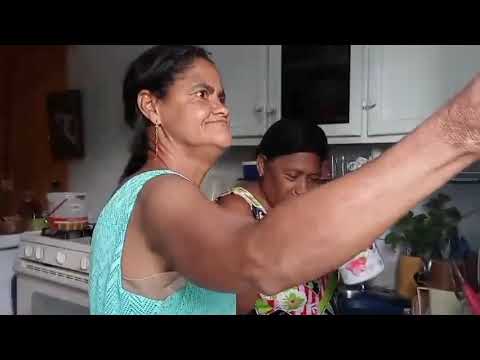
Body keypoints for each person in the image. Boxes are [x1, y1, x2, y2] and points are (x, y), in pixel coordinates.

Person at [89, 45, 480, 315]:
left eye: (222, 96)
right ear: (151, 106)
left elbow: (239, 294)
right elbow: (260, 258)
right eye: (202, 94)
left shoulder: (154, 195)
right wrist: (458, 133)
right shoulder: (160, 191)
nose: (221, 108)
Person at [217, 119, 337, 315]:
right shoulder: (236, 210)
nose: (303, 190)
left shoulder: (310, 208)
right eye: (291, 176)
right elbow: (233, 304)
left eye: (313, 179)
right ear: (262, 165)